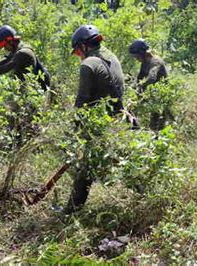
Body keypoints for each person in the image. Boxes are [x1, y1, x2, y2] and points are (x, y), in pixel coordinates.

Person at [64, 24, 126, 214]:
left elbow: (82, 100)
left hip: (100, 123)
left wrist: (74, 129)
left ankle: (71, 212)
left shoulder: (88, 64)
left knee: (85, 169)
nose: (79, 57)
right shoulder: (110, 56)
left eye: (77, 52)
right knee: (124, 160)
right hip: (119, 119)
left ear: (83, 46)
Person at [0, 25, 50, 91]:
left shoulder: (23, 52)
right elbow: (5, 60)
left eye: (5, 45)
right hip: (29, 87)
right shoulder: (19, 47)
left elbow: (7, 66)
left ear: (10, 41)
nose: (5, 48)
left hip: (36, 90)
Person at [129, 39, 169, 131]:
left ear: (142, 53)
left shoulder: (155, 61)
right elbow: (140, 77)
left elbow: (152, 78)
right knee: (131, 109)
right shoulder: (145, 62)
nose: (136, 59)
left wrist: (140, 87)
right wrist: (133, 88)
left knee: (156, 124)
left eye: (136, 56)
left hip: (159, 96)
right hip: (150, 94)